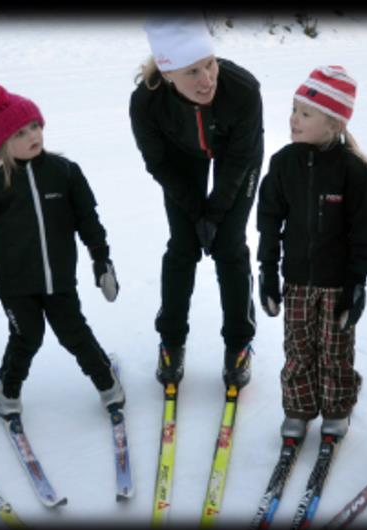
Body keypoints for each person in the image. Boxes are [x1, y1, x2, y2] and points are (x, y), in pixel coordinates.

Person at [0, 84, 124, 416]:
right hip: (15, 286)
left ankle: (107, 383)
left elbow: (88, 219)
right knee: (27, 337)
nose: (32, 135)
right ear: (3, 144)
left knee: (74, 333)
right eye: (20, 133)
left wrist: (101, 260)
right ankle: (8, 392)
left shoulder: (64, 173)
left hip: (59, 280)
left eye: (35, 126)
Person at [129, 16, 264, 389]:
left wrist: (216, 212)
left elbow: (239, 161)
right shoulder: (146, 102)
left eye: (210, 64)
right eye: (192, 72)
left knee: (229, 245)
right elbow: (158, 162)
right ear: (168, 73)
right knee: (183, 246)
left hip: (236, 157)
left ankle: (239, 343)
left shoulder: (243, 91)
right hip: (180, 158)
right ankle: (171, 340)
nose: (207, 79)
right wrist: (195, 211)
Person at [257, 66, 367, 439]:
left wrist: (357, 282)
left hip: (336, 284)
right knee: (297, 348)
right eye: (294, 110)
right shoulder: (283, 164)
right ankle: (298, 408)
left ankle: (337, 407)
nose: (294, 120)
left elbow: (365, 232)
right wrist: (267, 269)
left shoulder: (354, 171)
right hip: (295, 279)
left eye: (305, 114)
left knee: (335, 351)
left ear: (334, 124)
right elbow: (268, 221)